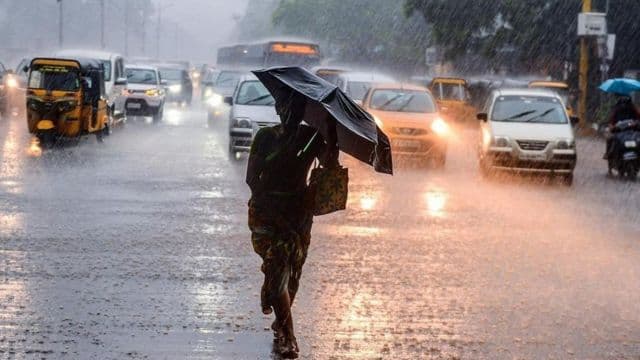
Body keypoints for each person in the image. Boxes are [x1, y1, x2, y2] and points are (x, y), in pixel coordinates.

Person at [246, 95, 338, 358]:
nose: (290, 112)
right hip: (267, 215)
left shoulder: (312, 137)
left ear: (304, 112)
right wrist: (275, 209)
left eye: (296, 108)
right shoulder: (265, 137)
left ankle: (278, 310)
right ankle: (288, 335)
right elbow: (252, 178)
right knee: (277, 270)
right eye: (286, 107)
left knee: (292, 276)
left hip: (298, 217)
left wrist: (331, 137)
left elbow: (330, 165)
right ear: (277, 108)